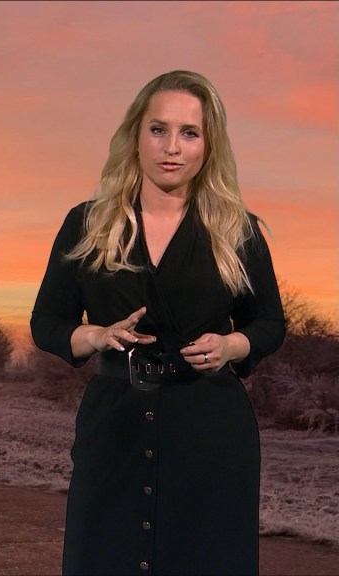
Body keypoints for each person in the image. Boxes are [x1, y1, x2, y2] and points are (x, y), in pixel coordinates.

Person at [31, 70, 286, 575]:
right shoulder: (87, 223)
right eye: (158, 129)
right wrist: (96, 335)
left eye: (189, 133)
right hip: (114, 428)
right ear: (135, 135)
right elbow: (47, 322)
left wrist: (231, 346)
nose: (172, 147)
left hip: (210, 431)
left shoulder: (238, 230)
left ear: (209, 145)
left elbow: (269, 322)